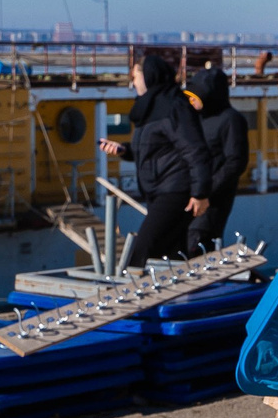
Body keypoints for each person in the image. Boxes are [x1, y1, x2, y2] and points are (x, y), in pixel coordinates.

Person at [101, 51, 212, 270]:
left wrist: (201, 193)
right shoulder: (151, 108)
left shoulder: (174, 106)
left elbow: (195, 149)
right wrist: (124, 150)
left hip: (176, 190)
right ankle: (181, 291)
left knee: (143, 250)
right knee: (171, 253)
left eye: (135, 76)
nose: (133, 82)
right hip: (158, 190)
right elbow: (155, 149)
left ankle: (129, 289)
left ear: (148, 76)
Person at [183, 65, 251, 251]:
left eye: (195, 96)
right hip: (189, 196)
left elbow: (235, 162)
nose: (191, 99)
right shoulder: (195, 119)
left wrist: (205, 192)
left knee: (197, 246)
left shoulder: (231, 120)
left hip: (212, 200)